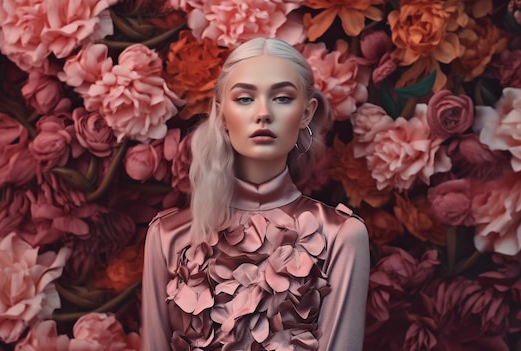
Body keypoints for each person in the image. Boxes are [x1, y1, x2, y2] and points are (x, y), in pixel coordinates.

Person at [142, 37, 370, 351]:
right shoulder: (168, 235)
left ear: (306, 112)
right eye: (246, 99)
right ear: (221, 113)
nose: (263, 113)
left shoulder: (341, 235)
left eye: (282, 98)